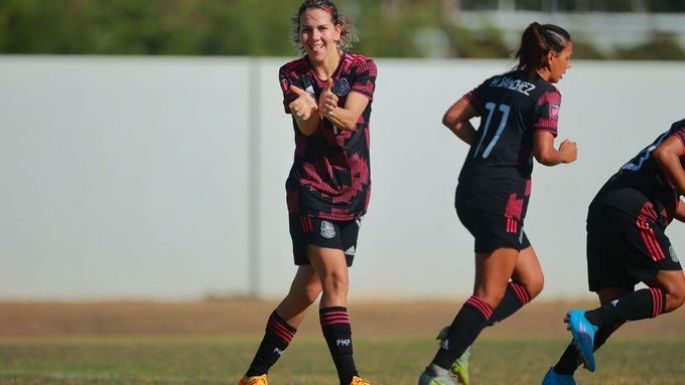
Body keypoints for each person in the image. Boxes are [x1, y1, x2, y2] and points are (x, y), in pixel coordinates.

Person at [418, 22, 577, 385]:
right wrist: (565, 154)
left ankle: (462, 332)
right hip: (501, 195)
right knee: (488, 294)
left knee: (531, 281)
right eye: (567, 58)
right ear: (550, 56)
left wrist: (481, 147)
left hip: (470, 188)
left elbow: (452, 117)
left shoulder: (497, 83)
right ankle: (439, 371)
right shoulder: (546, 94)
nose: (568, 65)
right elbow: (544, 153)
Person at [237, 2, 377, 385]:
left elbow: (350, 118)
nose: (313, 36)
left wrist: (330, 107)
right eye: (305, 30)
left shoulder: (362, 68)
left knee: (307, 290)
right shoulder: (292, 74)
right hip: (311, 190)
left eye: (320, 28)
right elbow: (311, 127)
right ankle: (351, 379)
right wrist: (308, 110)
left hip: (352, 192)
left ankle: (255, 376)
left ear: (337, 31)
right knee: (336, 281)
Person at [541, 119, 685, 385]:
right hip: (632, 211)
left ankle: (559, 375)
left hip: (605, 208)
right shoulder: (676, 143)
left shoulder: (669, 161)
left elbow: (670, 196)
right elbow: (665, 154)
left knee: (618, 308)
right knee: (675, 292)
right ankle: (589, 319)